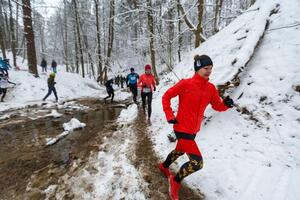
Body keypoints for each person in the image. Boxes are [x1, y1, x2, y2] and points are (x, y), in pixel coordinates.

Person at [159, 55, 234, 200]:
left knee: (180, 151)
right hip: (181, 128)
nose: (209, 71)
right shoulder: (185, 84)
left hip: (193, 130)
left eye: (211, 68)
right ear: (198, 68)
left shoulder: (211, 88)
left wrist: (225, 104)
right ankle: (175, 182)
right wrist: (169, 114)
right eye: (206, 68)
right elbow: (166, 97)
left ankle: (164, 166)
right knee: (197, 163)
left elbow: (217, 106)